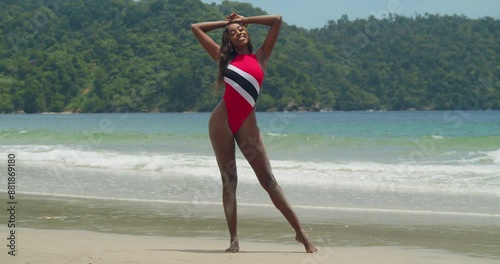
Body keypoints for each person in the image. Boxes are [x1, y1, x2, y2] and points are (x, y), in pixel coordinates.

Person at [191, 12, 317, 253]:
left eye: (241, 29)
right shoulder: (223, 58)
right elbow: (196, 27)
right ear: (228, 38)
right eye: (232, 32)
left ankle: (301, 235)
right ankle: (234, 240)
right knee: (229, 181)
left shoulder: (260, 56)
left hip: (248, 126)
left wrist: (245, 18)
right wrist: (226, 23)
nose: (238, 32)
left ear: (247, 31)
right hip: (222, 122)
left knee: (269, 181)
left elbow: (277, 20)